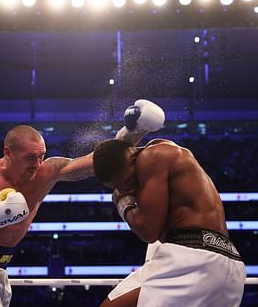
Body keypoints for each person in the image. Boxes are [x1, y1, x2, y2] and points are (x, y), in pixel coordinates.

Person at [0, 100, 165, 307]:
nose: (37, 164)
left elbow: (96, 162)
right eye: (30, 158)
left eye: (41, 156)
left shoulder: (47, 171)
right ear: (8, 153)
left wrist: (133, 132)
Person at [92, 123, 246, 305]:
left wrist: (122, 201)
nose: (126, 189)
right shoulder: (168, 154)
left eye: (124, 182)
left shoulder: (149, 157)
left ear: (132, 159)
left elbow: (148, 231)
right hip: (230, 264)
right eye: (117, 188)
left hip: (193, 258)